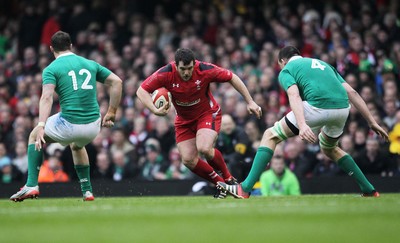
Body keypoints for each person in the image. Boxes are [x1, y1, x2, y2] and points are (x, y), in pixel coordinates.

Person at [217, 46, 389, 198]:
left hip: (317, 107)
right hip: (342, 109)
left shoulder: (287, 69)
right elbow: (352, 92)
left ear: (282, 61)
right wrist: (372, 122)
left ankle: (244, 189)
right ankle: (368, 189)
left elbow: (294, 94)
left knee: (270, 135)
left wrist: (303, 124)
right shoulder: (324, 65)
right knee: (330, 148)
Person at [10, 31, 122, 202]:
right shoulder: (90, 63)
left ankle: (31, 185)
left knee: (34, 136)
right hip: (93, 126)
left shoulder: (51, 69)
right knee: (77, 146)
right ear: (71, 46)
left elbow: (46, 97)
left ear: (51, 49)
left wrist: (41, 124)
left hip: (69, 124)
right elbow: (117, 82)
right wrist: (112, 111)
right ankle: (87, 191)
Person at [136, 48, 262, 198]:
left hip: (207, 114)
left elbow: (232, 77)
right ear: (176, 65)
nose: (187, 72)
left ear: (194, 64)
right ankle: (220, 184)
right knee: (188, 160)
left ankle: (229, 180)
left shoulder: (204, 69)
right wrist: (154, 110)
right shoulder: (165, 73)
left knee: (204, 148)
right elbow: (141, 90)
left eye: (190, 68)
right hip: (183, 120)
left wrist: (250, 101)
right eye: (183, 69)